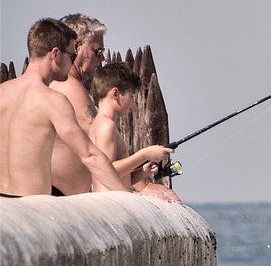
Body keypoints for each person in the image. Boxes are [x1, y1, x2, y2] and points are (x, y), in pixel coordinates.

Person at [0, 19, 132, 197]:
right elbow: (90, 155)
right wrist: (126, 195)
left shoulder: (3, 92)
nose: (72, 63)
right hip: (33, 206)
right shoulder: (53, 101)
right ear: (55, 54)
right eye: (71, 56)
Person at [89, 62, 180, 202]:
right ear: (115, 93)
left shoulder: (101, 123)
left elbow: (117, 175)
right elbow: (107, 170)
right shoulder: (106, 125)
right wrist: (145, 154)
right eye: (131, 95)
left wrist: (143, 172)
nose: (132, 102)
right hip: (109, 202)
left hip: (111, 199)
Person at [49, 13, 107, 195]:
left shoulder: (67, 84)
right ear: (78, 46)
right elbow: (100, 137)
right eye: (98, 51)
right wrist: (141, 183)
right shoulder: (68, 85)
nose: (102, 59)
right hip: (55, 196)